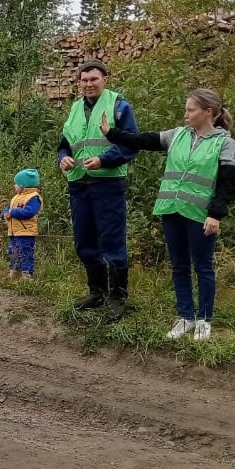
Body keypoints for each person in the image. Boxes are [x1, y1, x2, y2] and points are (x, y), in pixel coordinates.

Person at [100, 88, 235, 342]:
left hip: (200, 215)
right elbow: (143, 140)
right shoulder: (177, 135)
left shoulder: (225, 143)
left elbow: (227, 183)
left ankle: (204, 319)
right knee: (179, 266)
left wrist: (216, 215)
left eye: (190, 110)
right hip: (171, 210)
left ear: (208, 112)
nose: (185, 115)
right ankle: (185, 316)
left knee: (204, 266)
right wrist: (112, 133)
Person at [58, 59, 140, 319]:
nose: (88, 84)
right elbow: (64, 144)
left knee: (112, 239)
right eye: (84, 80)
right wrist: (63, 158)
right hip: (78, 182)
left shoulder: (118, 106)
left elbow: (131, 144)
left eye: (93, 79)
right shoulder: (74, 109)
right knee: (85, 239)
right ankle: (97, 292)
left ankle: (117, 297)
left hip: (108, 182)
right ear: (79, 83)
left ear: (105, 79)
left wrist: (104, 159)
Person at [1, 168, 42, 279]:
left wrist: (12, 213)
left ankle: (26, 273)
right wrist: (5, 213)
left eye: (16, 184)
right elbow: (8, 208)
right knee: (13, 252)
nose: (15, 186)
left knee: (26, 252)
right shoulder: (16, 198)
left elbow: (30, 212)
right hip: (14, 232)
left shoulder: (34, 197)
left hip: (26, 232)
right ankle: (13, 271)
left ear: (23, 185)